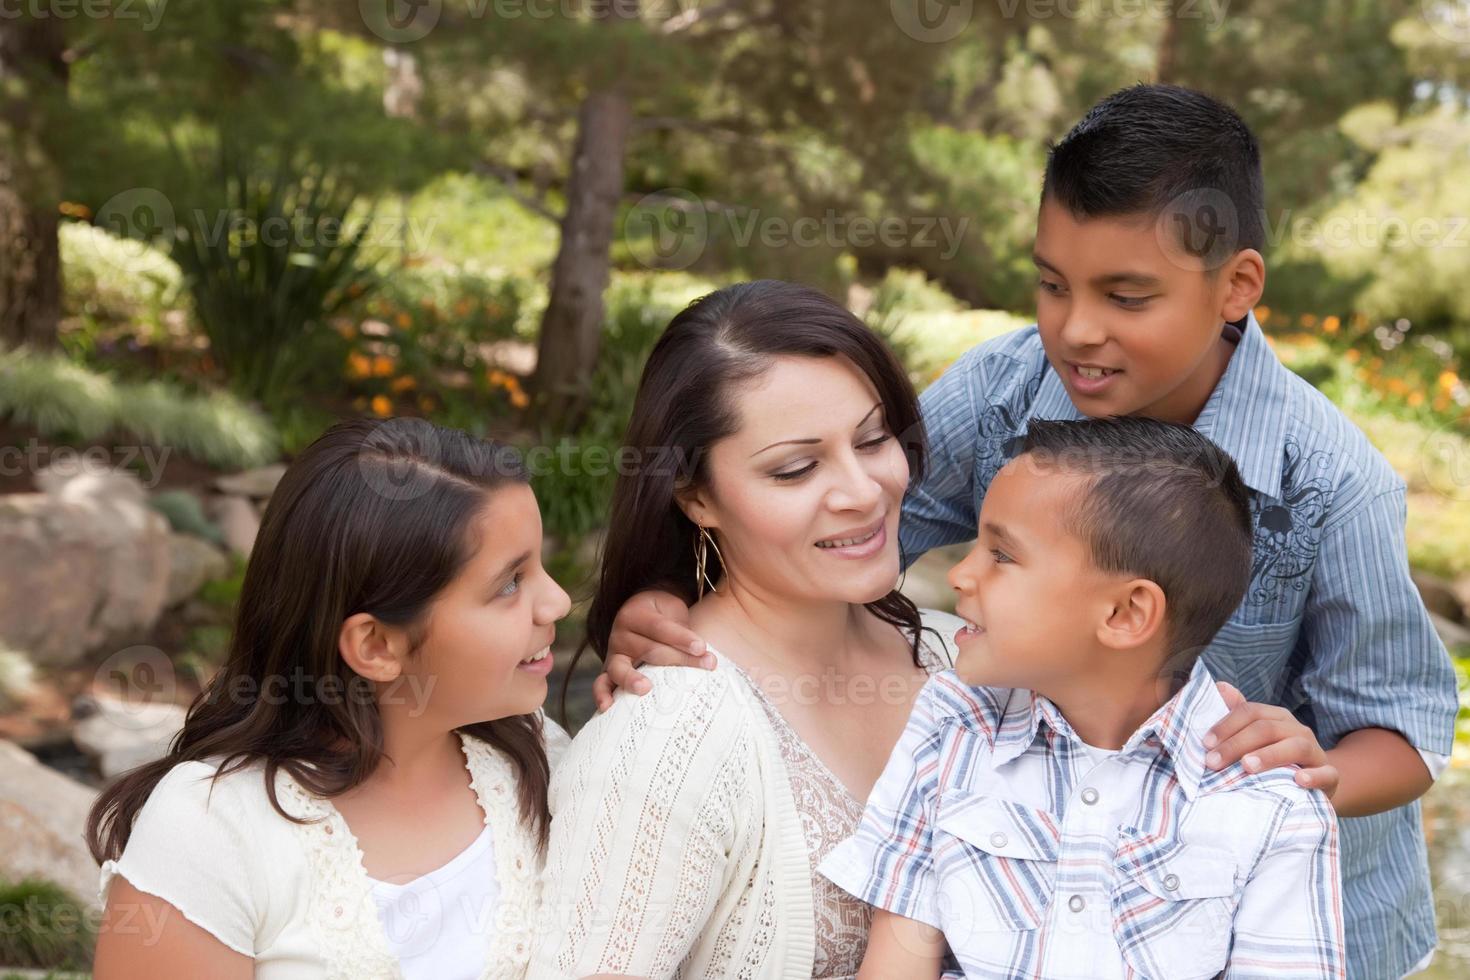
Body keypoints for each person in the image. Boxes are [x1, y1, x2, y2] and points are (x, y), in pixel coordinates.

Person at [598, 84, 1458, 979]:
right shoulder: (1004, 390)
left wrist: (1307, 768)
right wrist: (675, 593)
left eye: (1127, 296)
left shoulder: (1330, 480)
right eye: (1051, 283)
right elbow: (840, 527)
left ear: (1237, 285)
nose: (1075, 330)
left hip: (1287, 918)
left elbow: (1404, 731)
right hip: (1050, 889)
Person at [528, 280, 967, 978]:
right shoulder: (665, 738)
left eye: (875, 438)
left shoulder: (962, 658)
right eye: (795, 469)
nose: (862, 491)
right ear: (697, 495)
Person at [824, 416, 1344, 979]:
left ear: (1124, 614)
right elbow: (895, 965)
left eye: (1002, 555)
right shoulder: (952, 725)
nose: (962, 575)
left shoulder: (1273, 806)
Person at [90, 417, 572, 980]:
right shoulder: (209, 831)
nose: (558, 601)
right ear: (376, 645)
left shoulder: (541, 758)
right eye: (511, 583)